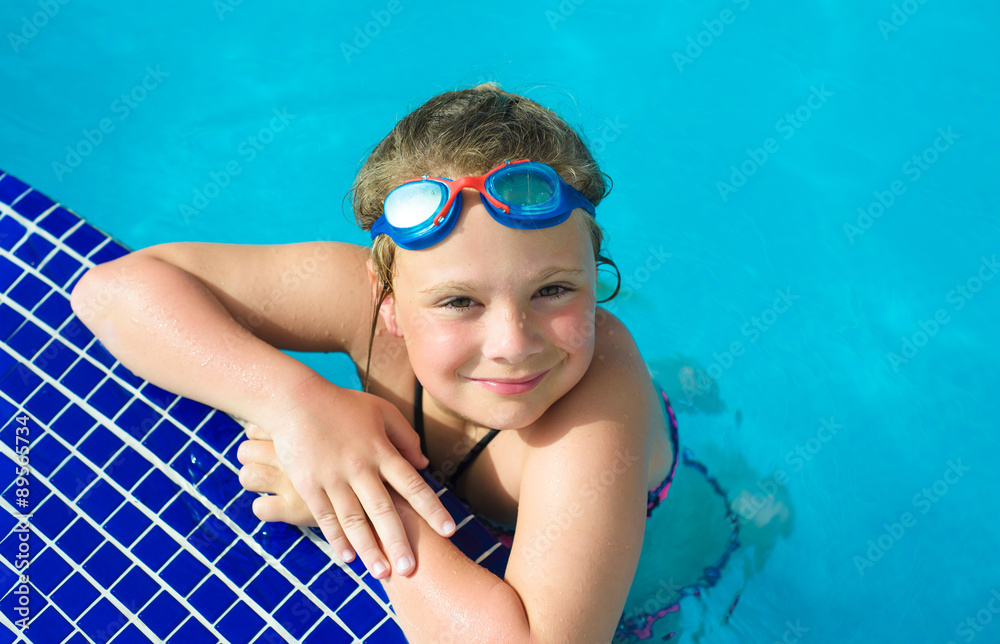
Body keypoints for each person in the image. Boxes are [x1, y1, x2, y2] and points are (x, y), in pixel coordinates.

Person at [71, 83, 742, 641]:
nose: (512, 341)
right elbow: (112, 291)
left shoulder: (595, 404)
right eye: (458, 301)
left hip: (656, 589)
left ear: (596, 279)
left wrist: (361, 496)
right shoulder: (361, 304)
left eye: (554, 290)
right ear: (387, 302)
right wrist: (294, 402)